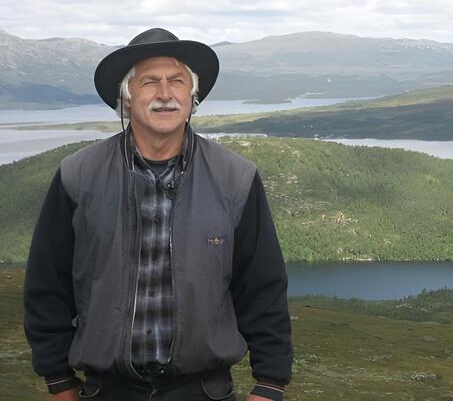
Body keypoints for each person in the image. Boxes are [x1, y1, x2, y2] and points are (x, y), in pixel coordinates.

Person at [23, 28, 293, 401]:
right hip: (106, 391)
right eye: (150, 82)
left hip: (204, 391)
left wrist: (270, 384)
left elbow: (262, 287)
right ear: (127, 98)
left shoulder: (236, 178)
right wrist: (58, 379)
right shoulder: (77, 176)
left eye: (177, 82)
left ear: (192, 97)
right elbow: (47, 283)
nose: (165, 94)